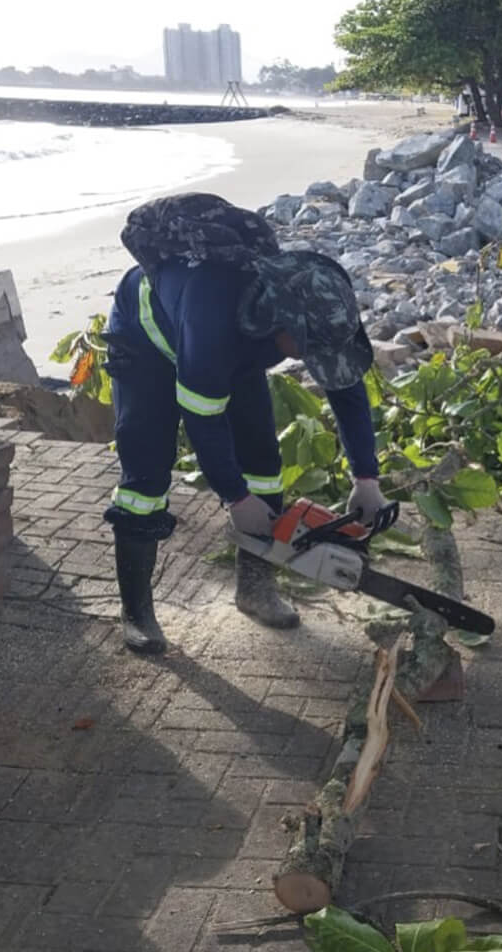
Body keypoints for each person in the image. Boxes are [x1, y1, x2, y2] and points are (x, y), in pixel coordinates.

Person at [103, 193, 392, 655]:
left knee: (263, 460)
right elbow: (202, 418)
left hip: (233, 352)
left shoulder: (313, 300)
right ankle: (136, 613)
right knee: (146, 478)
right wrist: (234, 497)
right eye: (306, 351)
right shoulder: (212, 315)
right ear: (283, 329)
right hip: (146, 344)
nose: (311, 361)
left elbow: (346, 387)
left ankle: (254, 589)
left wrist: (366, 477)